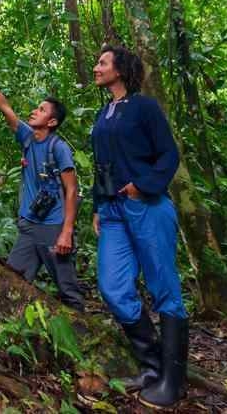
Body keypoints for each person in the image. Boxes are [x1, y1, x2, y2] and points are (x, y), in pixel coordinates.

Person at [91, 45, 188, 408]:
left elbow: (168, 154)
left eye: (103, 63)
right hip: (112, 212)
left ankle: (173, 381)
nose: (97, 68)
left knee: (164, 286)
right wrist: (98, 206)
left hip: (146, 206)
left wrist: (140, 186)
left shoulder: (144, 107)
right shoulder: (104, 113)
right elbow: (102, 164)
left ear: (121, 69)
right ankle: (151, 367)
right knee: (113, 287)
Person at [0, 67, 84, 311]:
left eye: (41, 110)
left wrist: (66, 232)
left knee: (68, 288)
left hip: (53, 227)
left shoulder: (59, 148)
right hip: (28, 226)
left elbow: (71, 190)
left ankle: (85, 336)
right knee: (13, 281)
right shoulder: (28, 138)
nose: (34, 111)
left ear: (51, 122)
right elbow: (4, 107)